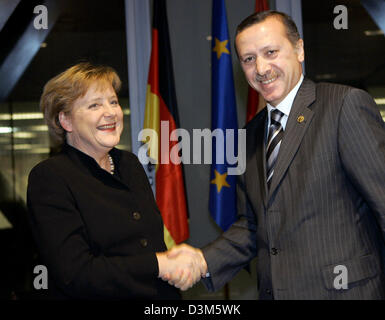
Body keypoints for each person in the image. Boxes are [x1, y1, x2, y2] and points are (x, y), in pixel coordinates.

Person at [167, 10, 385, 299]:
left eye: (271, 52)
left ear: (299, 50)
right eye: (248, 59)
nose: (261, 68)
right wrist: (203, 261)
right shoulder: (249, 137)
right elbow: (253, 226)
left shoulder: (344, 106)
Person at [27, 62, 203, 299]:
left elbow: (150, 245)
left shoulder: (129, 164)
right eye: (94, 105)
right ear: (66, 121)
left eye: (113, 102)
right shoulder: (50, 178)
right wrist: (159, 265)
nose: (110, 112)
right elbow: (76, 274)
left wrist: (173, 262)